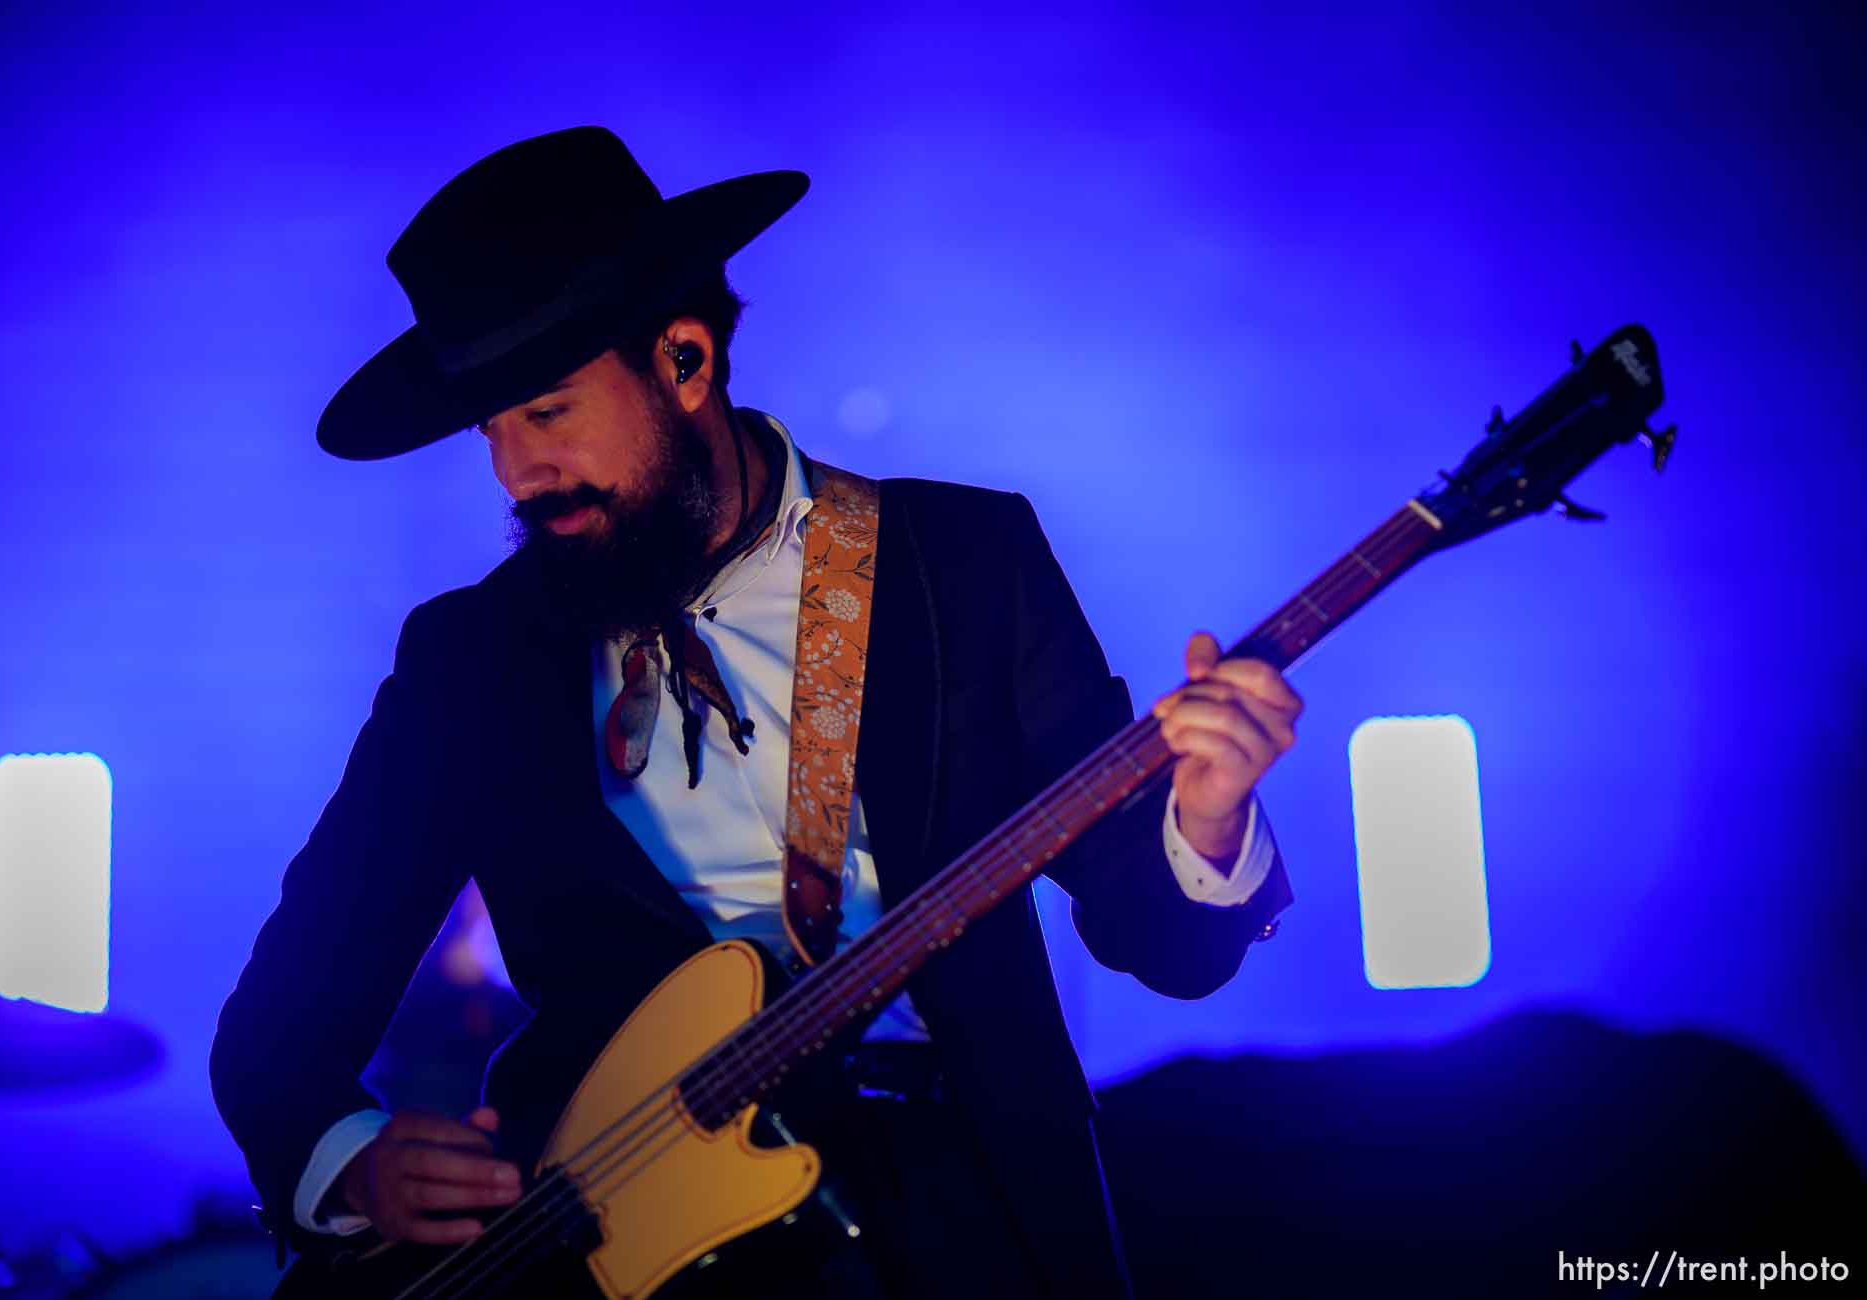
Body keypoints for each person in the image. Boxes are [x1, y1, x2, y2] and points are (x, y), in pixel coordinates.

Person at [210, 126, 1301, 1299]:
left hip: (946, 1209)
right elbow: (281, 1025)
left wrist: (1211, 817)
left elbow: (1171, 945)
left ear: (685, 360)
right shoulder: (471, 658)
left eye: (548, 413)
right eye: (493, 433)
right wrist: (351, 1163)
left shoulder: (963, 566)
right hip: (610, 1252)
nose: (516, 474)